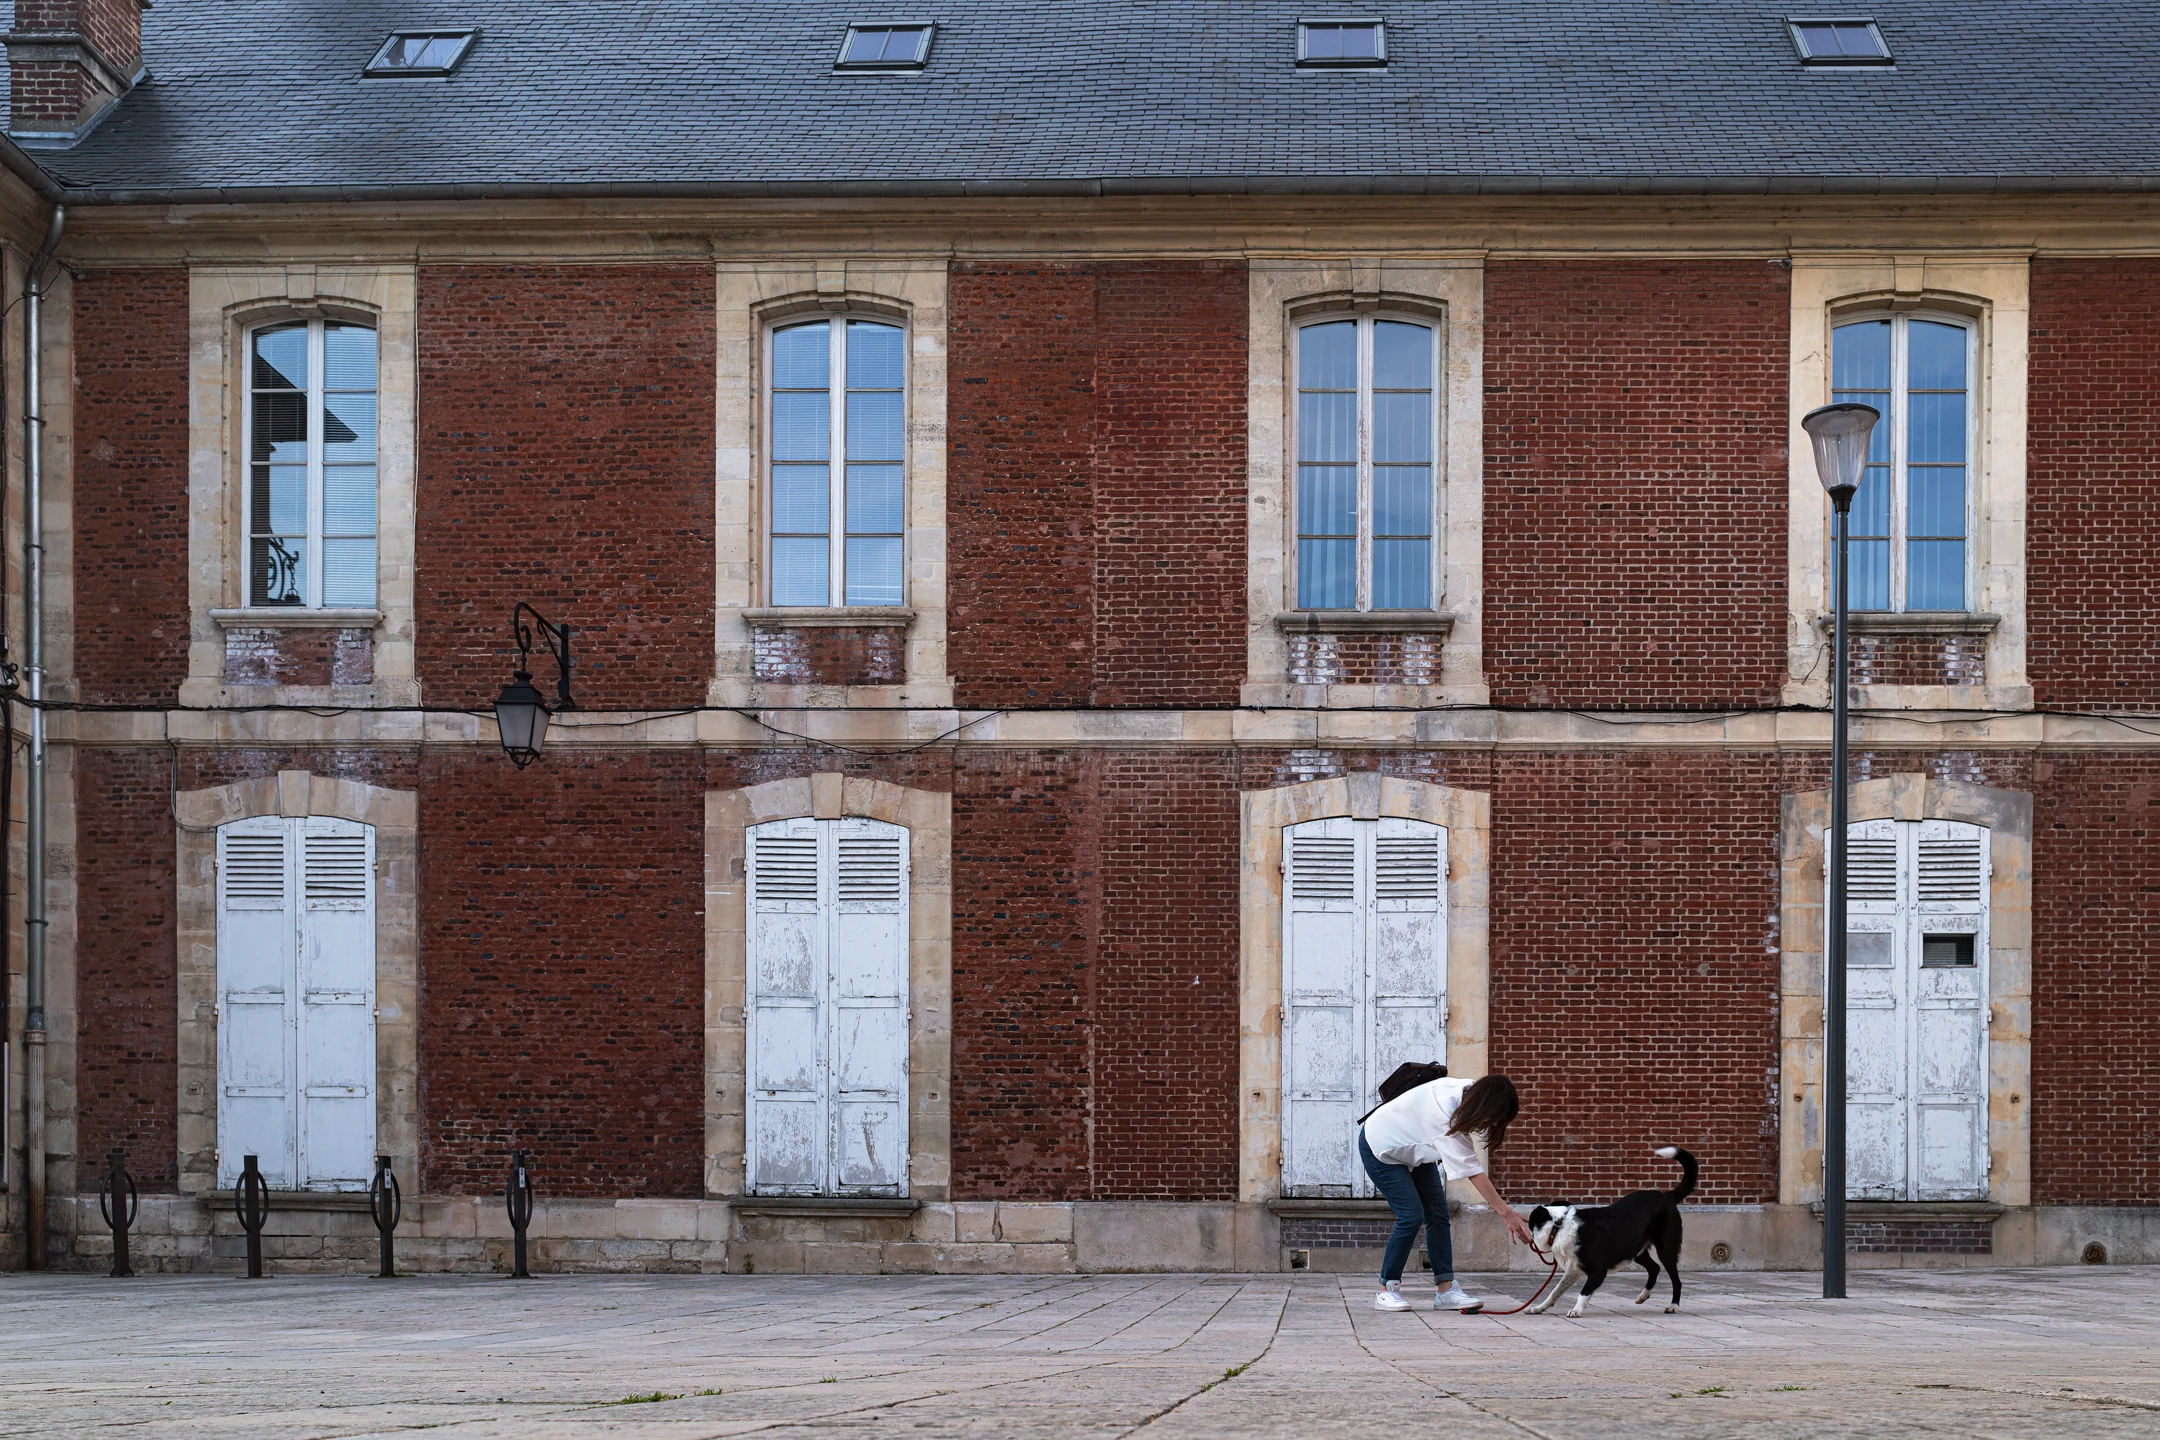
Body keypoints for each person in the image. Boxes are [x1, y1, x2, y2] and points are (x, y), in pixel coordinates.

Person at [1358, 1073, 1533, 1312]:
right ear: (1484, 1106)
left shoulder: (1467, 1090)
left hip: (1414, 1146)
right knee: (1411, 1215)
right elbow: (1474, 1172)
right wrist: (1506, 1213)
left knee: (1438, 1214)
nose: (1493, 1125)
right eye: (1494, 1119)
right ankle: (1386, 1290)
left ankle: (1445, 1290)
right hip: (1379, 1145)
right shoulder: (1443, 1118)